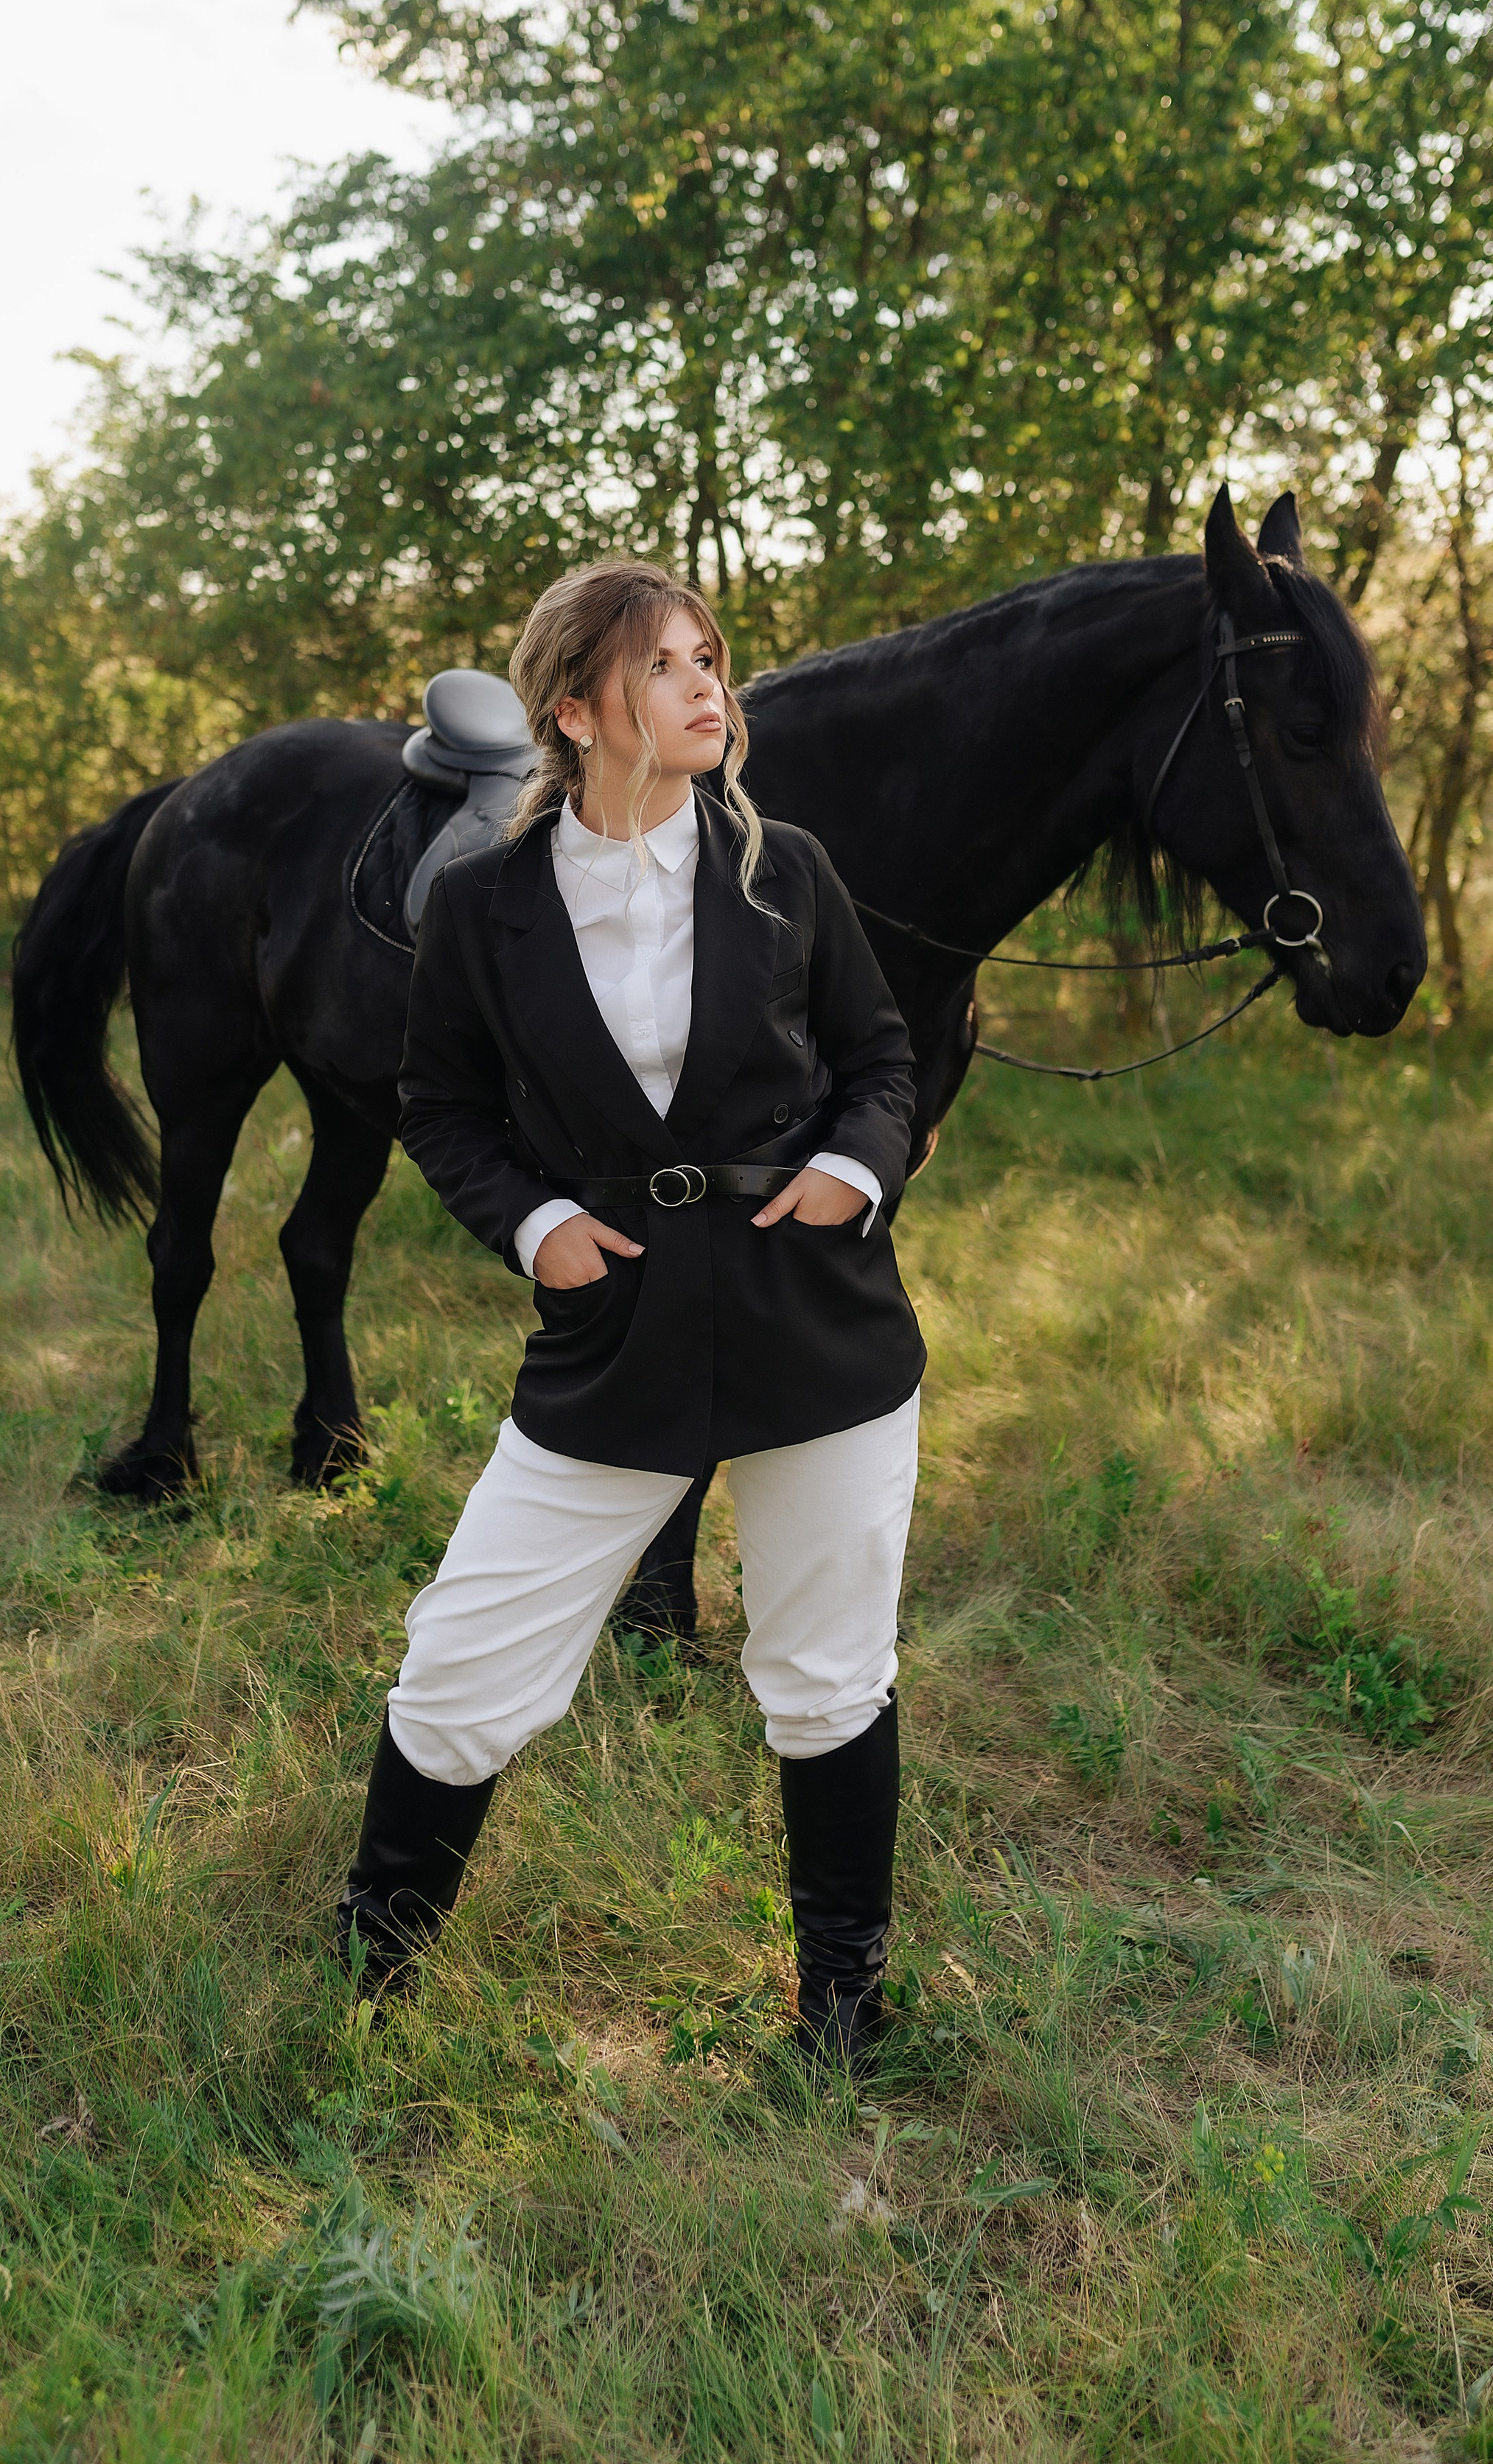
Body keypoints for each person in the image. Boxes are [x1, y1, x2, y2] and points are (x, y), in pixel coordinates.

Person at [338, 557, 927, 2064]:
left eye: (712, 657)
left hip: (816, 1321)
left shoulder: (783, 865)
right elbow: (440, 1104)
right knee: (463, 1659)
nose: (708, 685)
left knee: (822, 1675)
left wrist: (853, 1170)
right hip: (611, 1337)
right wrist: (537, 1228)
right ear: (576, 706)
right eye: (669, 665)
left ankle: (843, 2001)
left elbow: (880, 1057)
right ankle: (368, 1968)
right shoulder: (482, 908)